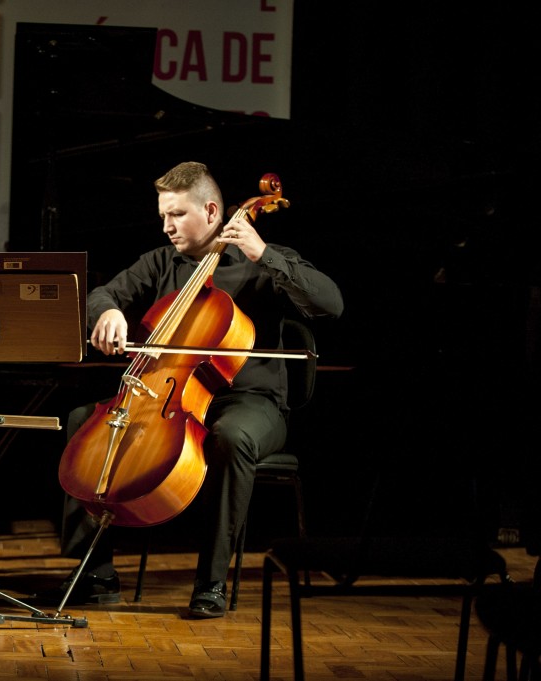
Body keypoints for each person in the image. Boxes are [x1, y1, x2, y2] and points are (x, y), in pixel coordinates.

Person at [45, 161, 344, 618]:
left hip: (251, 402)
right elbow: (102, 294)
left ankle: (211, 581)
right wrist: (107, 312)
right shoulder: (160, 262)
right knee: (84, 421)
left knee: (232, 437)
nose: (166, 226)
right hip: (168, 398)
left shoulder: (263, 261)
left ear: (210, 211)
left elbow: (331, 303)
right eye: (163, 215)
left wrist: (264, 253)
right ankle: (98, 573)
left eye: (176, 215)